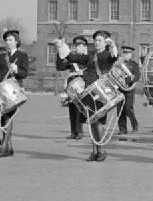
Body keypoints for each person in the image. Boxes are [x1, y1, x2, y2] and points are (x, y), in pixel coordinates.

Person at [56, 30, 119, 162]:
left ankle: (101, 150)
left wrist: (113, 45)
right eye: (95, 40)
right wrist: (61, 46)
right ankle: (94, 151)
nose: (96, 42)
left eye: (99, 40)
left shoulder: (108, 55)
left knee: (99, 123)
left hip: (101, 92)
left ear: (105, 42)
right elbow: (74, 57)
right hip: (88, 92)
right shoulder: (90, 55)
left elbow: (114, 57)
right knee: (91, 122)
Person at [0, 30, 29, 157]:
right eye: (7, 40)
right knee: (4, 117)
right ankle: (9, 148)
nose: (8, 42)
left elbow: (25, 73)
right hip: (2, 90)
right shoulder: (2, 56)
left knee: (8, 117)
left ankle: (4, 147)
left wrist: (17, 69)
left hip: (14, 89)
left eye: (10, 40)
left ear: (17, 41)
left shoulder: (22, 56)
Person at [57, 35, 88, 140]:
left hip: (81, 85)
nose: (78, 47)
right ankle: (73, 132)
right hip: (71, 87)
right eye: (77, 46)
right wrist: (59, 51)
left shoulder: (87, 58)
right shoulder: (72, 59)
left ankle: (79, 132)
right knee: (72, 110)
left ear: (85, 46)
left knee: (79, 109)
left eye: (80, 45)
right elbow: (60, 67)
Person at [117, 45, 141, 135]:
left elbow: (137, 75)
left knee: (128, 108)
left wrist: (127, 80)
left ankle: (134, 124)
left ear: (131, 55)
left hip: (129, 89)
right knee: (120, 110)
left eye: (128, 53)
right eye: (124, 53)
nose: (126, 55)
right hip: (119, 89)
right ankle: (122, 129)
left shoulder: (134, 64)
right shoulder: (118, 64)